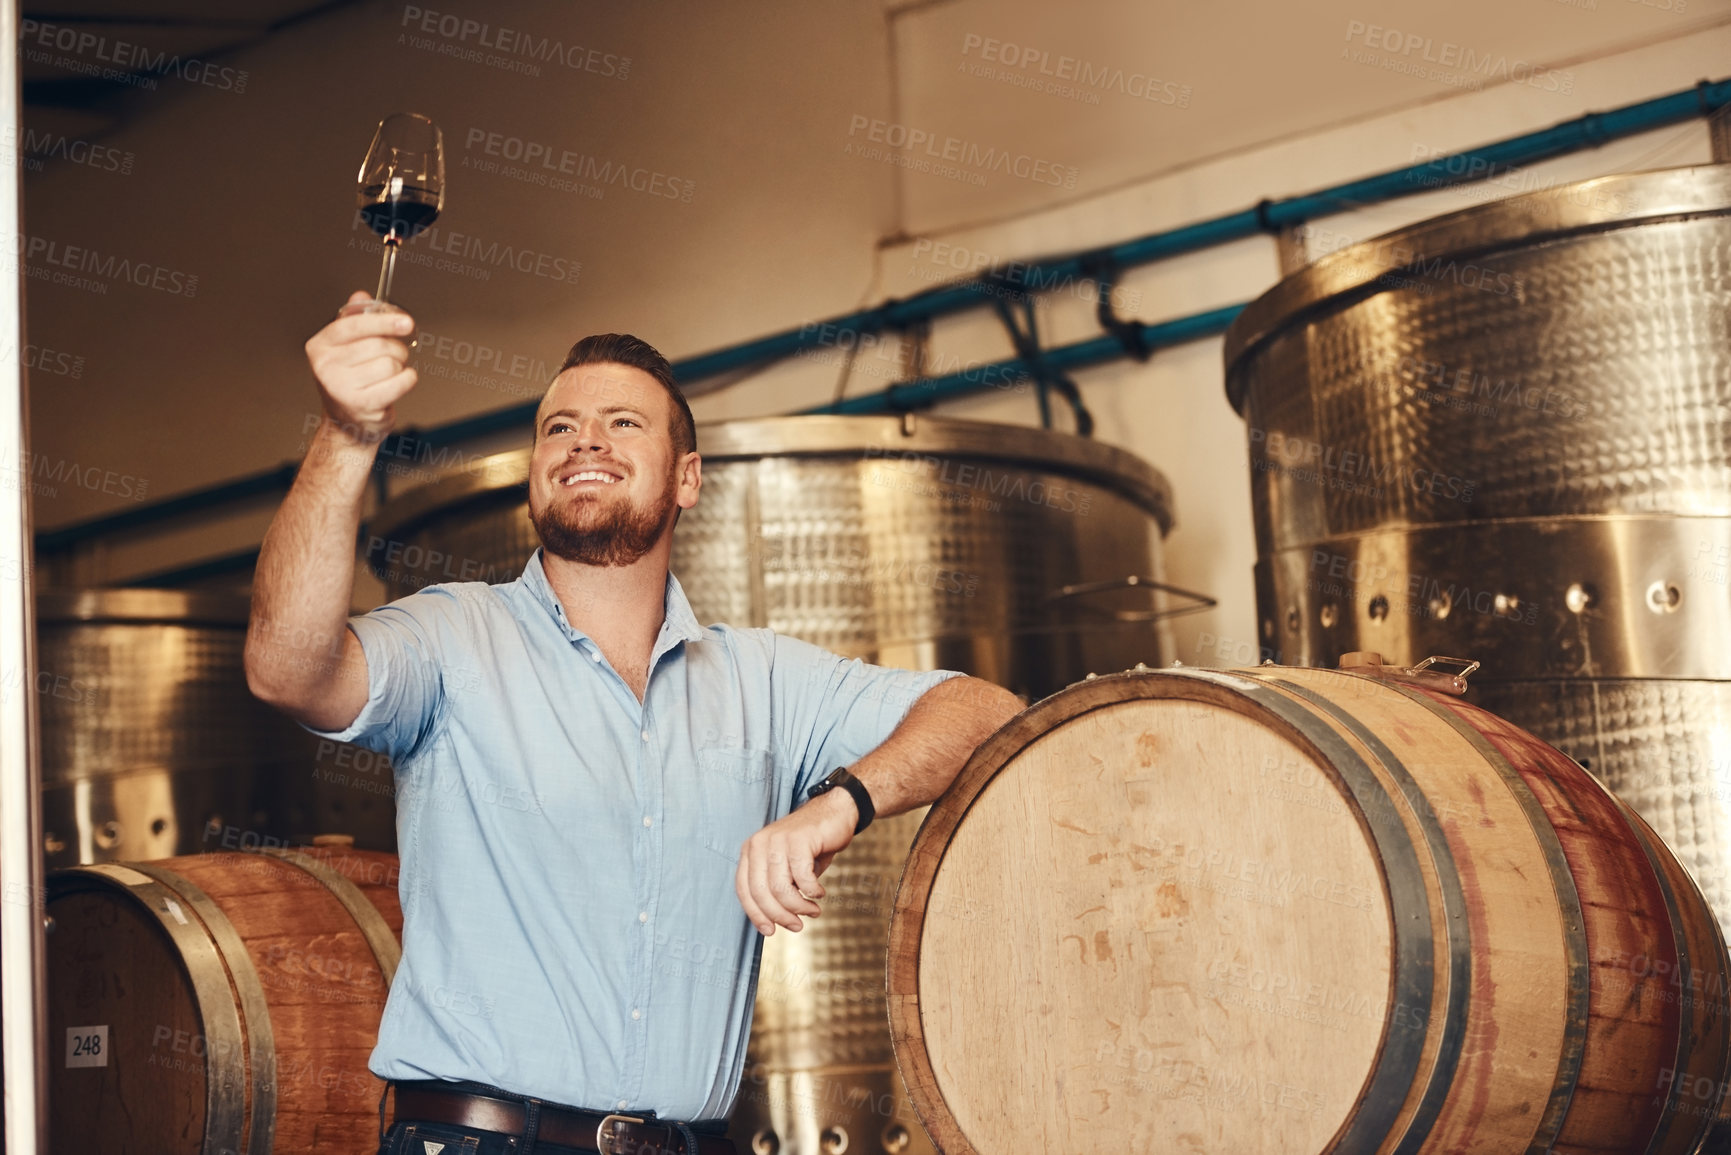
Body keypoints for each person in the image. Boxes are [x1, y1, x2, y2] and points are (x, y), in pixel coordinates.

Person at [244, 291, 1025, 1155]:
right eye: (558, 428)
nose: (585, 441)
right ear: (536, 470)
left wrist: (838, 802)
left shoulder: (761, 678)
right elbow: (284, 668)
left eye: (623, 422)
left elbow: (988, 714)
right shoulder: (453, 636)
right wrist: (346, 437)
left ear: (687, 477)